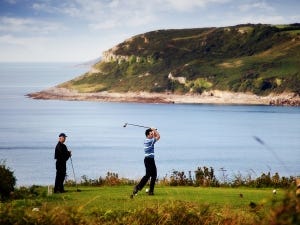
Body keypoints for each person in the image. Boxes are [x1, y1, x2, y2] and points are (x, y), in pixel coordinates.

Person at [133, 128, 160, 196]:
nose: (152, 135)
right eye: (151, 134)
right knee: (148, 175)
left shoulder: (147, 140)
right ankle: (137, 187)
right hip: (148, 160)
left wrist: (152, 131)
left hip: (150, 160)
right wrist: (154, 130)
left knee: (154, 175)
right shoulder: (150, 141)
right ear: (148, 135)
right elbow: (158, 136)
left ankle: (151, 191)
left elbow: (154, 137)